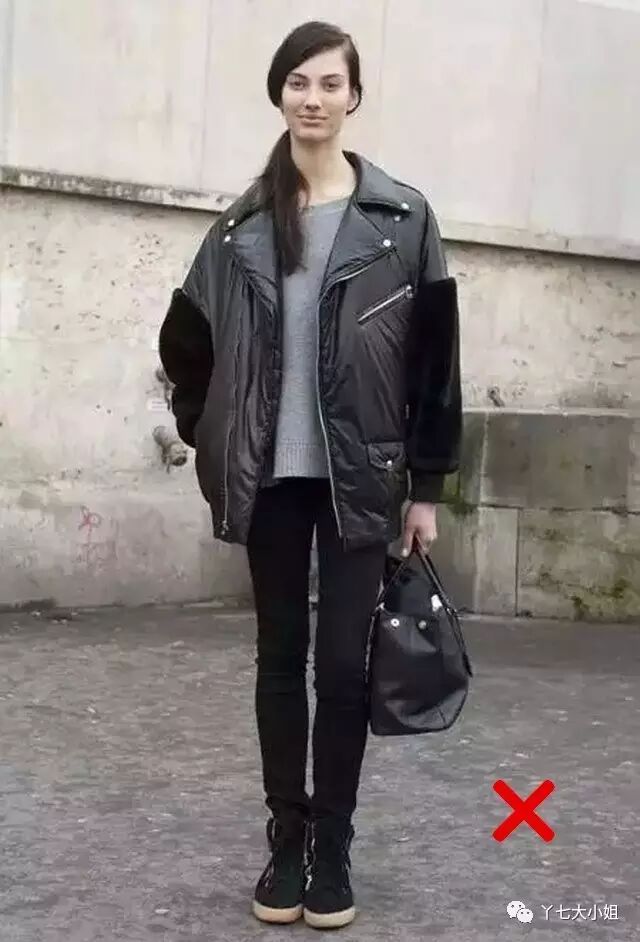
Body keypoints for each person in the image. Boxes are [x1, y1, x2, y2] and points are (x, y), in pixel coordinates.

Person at [158, 19, 462, 931]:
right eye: (299, 82)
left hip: (360, 479)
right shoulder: (241, 227)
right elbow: (185, 344)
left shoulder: (402, 220)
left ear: (353, 97)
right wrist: (212, 431)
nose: (314, 98)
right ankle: (285, 842)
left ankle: (334, 845)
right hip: (272, 483)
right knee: (280, 661)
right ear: (279, 95)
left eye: (330, 83)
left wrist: (427, 488)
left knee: (344, 667)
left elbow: (435, 364)